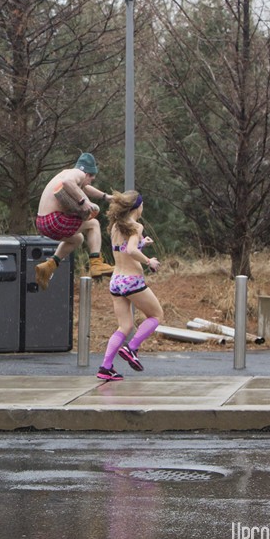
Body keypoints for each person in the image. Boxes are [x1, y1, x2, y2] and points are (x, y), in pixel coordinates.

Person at [97, 191, 163, 381]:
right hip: (132, 280)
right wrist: (149, 261)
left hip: (116, 280)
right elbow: (132, 250)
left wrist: (142, 243)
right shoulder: (136, 226)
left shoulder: (116, 226)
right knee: (157, 315)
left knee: (124, 326)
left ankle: (105, 367)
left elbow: (124, 250)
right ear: (138, 207)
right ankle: (131, 348)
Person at [33, 153, 116, 290]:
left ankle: (48, 267)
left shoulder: (67, 173)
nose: (92, 179)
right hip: (54, 220)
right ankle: (96, 263)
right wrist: (83, 202)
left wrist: (105, 197)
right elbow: (68, 183)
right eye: (92, 177)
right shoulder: (78, 173)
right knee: (93, 224)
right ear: (87, 173)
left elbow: (84, 188)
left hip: (42, 222)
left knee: (77, 239)